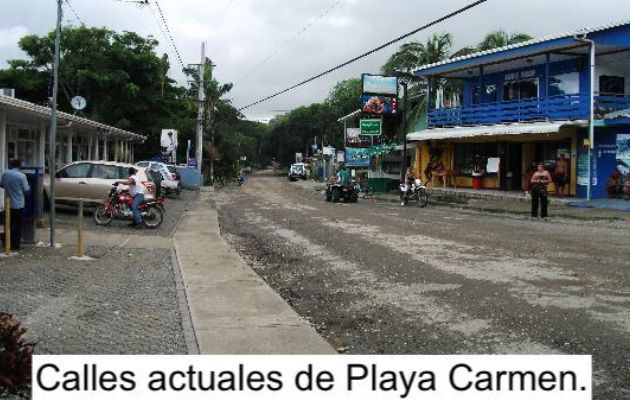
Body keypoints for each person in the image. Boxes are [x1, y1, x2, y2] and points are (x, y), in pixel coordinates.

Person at [0, 160, 30, 250]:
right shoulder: (21, 176)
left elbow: (1, 185)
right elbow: (26, 191)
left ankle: (6, 243)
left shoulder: (5, 174)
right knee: (17, 225)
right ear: (19, 166)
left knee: (7, 224)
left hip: (7, 204)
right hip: (18, 205)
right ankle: (15, 245)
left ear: (11, 165)